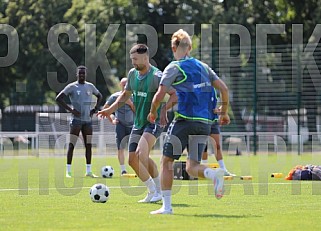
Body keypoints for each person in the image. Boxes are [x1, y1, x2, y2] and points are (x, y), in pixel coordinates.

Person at [148, 29, 230, 214]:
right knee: (192, 167)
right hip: (205, 123)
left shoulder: (174, 67)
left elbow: (160, 95)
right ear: (190, 48)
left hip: (185, 121)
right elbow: (224, 89)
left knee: (166, 161)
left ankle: (167, 207)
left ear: (174, 47)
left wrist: (153, 112)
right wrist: (224, 113)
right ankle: (213, 174)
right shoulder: (204, 66)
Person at [97, 44, 177, 203]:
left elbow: (174, 95)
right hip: (139, 122)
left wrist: (163, 110)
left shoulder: (156, 76)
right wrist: (109, 110)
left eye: (135, 59)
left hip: (153, 122)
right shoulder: (132, 74)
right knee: (132, 160)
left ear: (145, 58)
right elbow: (124, 96)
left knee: (142, 154)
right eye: (131, 59)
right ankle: (152, 191)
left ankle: (160, 191)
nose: (132, 62)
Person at [56, 65, 102, 178]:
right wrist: (71, 110)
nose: (82, 75)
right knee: (71, 145)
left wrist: (95, 110)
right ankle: (68, 171)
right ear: (77, 74)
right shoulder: (72, 87)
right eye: (80, 73)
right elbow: (58, 98)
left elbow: (100, 96)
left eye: (83, 73)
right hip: (76, 121)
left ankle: (89, 171)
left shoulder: (90, 86)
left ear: (85, 75)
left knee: (89, 145)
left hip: (88, 121)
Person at [103, 78, 135, 175]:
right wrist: (112, 119)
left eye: (127, 84)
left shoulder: (134, 97)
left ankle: (137, 169)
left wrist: (130, 104)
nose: (125, 86)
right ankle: (123, 170)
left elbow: (138, 111)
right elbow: (105, 109)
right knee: (121, 148)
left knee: (134, 149)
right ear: (120, 85)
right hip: (120, 125)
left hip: (133, 126)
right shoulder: (115, 97)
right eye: (123, 84)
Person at [201, 94, 236, 177]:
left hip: (213, 121)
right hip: (202, 120)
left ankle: (223, 169)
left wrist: (222, 112)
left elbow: (221, 105)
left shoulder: (215, 89)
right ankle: (204, 168)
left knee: (217, 146)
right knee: (203, 146)